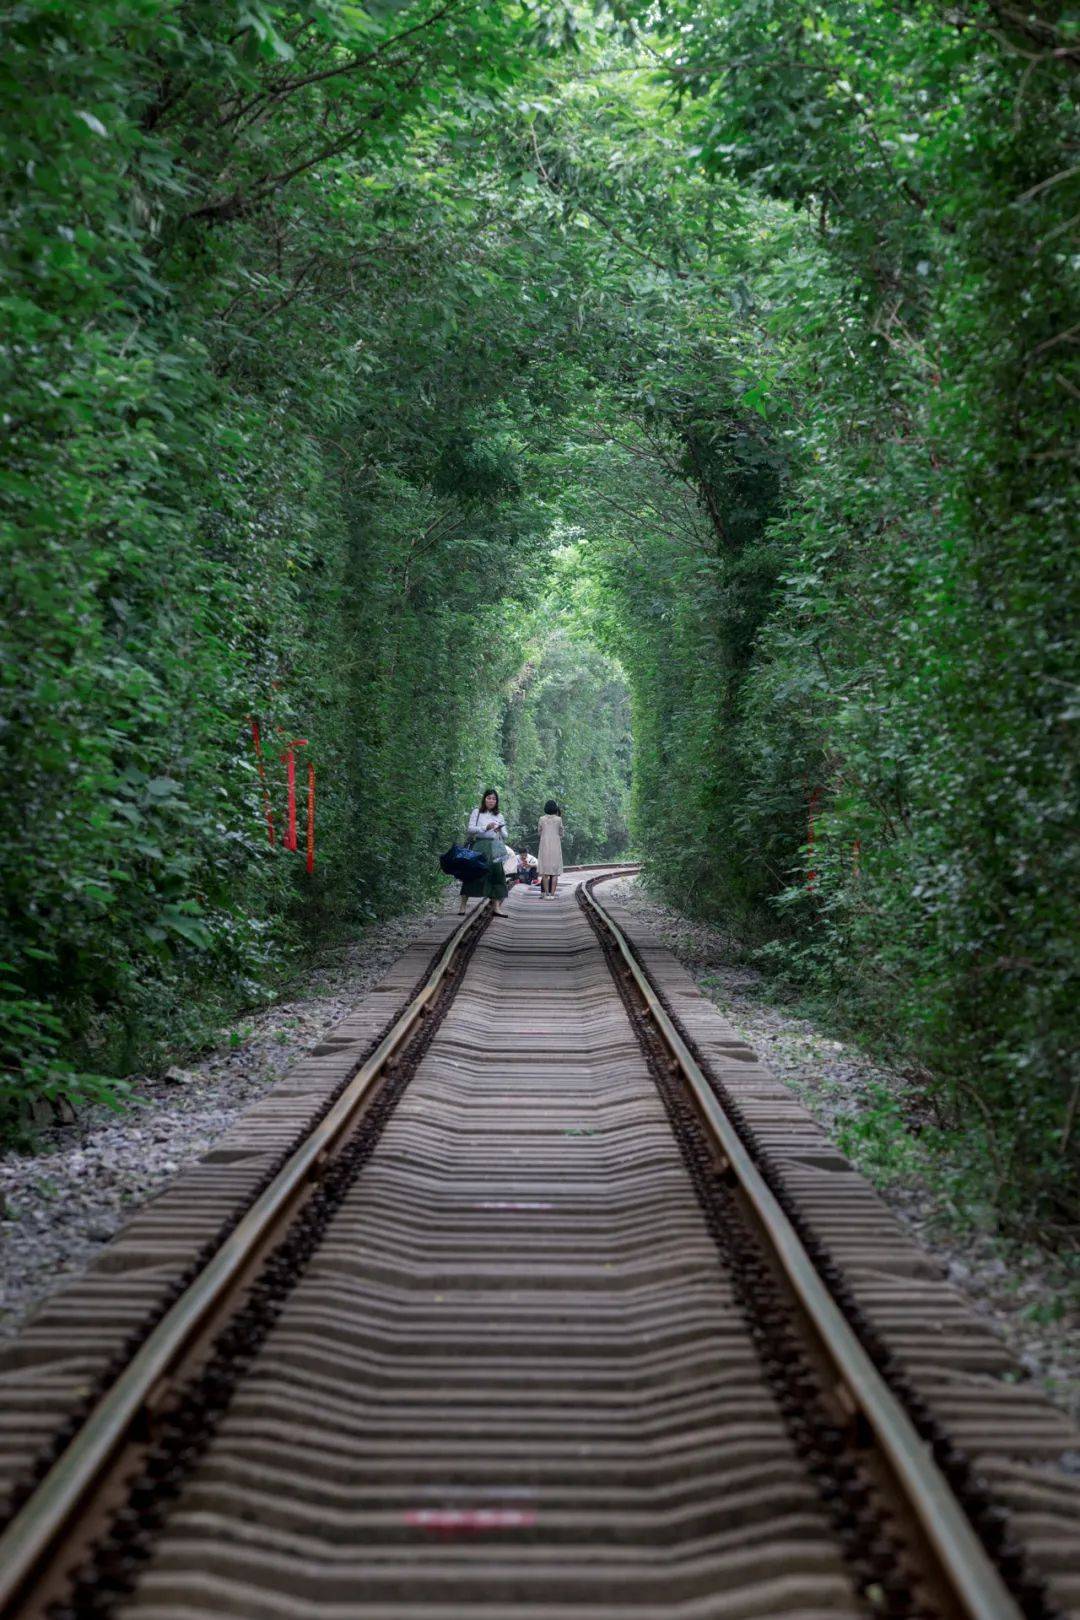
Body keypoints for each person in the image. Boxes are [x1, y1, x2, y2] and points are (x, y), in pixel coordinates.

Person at [459, 789, 509, 916]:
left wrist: (499, 830)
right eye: (489, 798)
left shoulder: (499, 815)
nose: (491, 801)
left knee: (497, 874)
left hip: (495, 846)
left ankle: (496, 907)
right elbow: (470, 829)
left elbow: (506, 835)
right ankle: (463, 905)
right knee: (473, 873)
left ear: (496, 801)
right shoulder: (477, 812)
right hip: (480, 845)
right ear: (484, 799)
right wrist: (485, 827)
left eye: (494, 799)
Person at [537, 800, 564, 896]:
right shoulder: (558, 819)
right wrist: (557, 837)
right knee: (555, 872)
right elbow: (561, 833)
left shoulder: (541, 819)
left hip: (544, 846)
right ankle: (552, 894)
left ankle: (546, 894)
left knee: (544, 872)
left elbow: (539, 832)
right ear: (555, 808)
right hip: (555, 846)